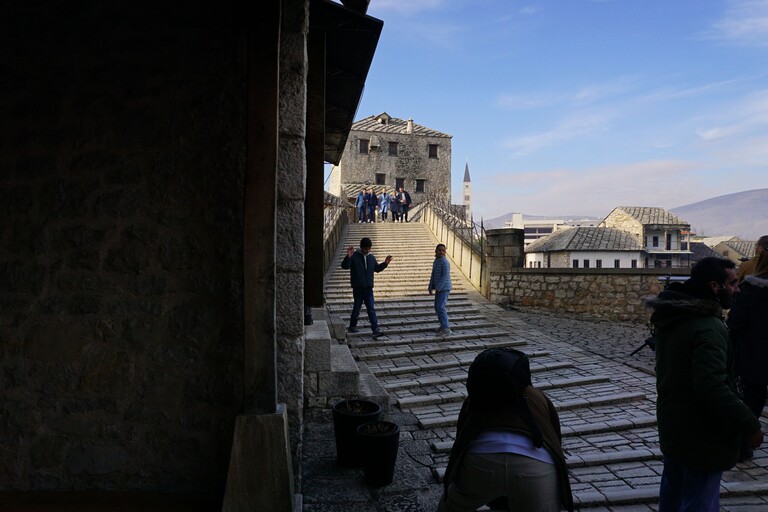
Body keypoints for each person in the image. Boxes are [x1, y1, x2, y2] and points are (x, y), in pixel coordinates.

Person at [645, 256, 763, 511]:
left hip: (675, 425)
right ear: (714, 286)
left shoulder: (673, 315)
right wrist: (749, 424)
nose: (737, 289)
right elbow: (712, 386)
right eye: (732, 283)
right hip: (702, 433)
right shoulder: (708, 327)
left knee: (673, 496)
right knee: (700, 502)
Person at [438, 348, 573, 512]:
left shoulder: (473, 401)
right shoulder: (538, 397)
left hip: (480, 460)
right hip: (535, 465)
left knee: (450, 507)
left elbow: (463, 437)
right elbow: (554, 439)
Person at [727, 250, 768, 461]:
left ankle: (744, 446)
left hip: (755, 354)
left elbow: (735, 324)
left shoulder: (750, 290)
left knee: (751, 400)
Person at [340, 237, 392, 337]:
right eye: (365, 248)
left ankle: (375, 329)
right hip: (358, 287)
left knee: (371, 308)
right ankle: (352, 326)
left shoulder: (371, 257)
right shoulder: (354, 256)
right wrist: (348, 257)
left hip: (368, 288)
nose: (367, 250)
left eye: (369, 248)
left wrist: (385, 264)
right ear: (361, 247)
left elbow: (376, 269)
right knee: (357, 308)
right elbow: (344, 266)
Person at [429, 243, 452, 336]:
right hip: (439, 288)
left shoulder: (445, 262)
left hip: (444, 288)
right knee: (437, 307)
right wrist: (430, 286)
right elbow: (433, 274)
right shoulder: (436, 261)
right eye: (439, 250)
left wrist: (438, 287)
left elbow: (445, 276)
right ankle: (442, 326)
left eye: (443, 250)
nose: (441, 252)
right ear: (436, 251)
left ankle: (446, 328)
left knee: (440, 307)